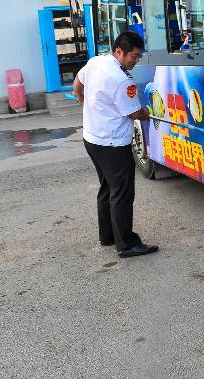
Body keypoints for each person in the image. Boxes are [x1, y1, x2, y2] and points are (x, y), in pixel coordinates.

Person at [73, 31, 158, 259]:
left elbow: (77, 83)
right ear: (119, 51)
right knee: (122, 193)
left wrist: (84, 104)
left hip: (92, 138)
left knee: (107, 188)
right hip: (112, 144)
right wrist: (148, 114)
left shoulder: (96, 61)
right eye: (134, 56)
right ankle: (127, 244)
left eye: (139, 56)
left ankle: (108, 235)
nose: (136, 61)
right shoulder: (122, 80)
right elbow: (134, 114)